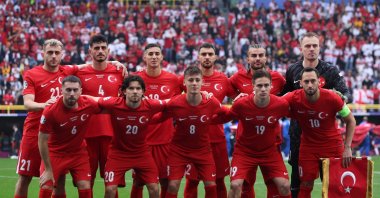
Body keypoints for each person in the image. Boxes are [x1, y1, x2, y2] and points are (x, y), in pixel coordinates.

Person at [281, 32, 352, 198]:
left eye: (314, 45)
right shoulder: (292, 70)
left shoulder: (330, 70)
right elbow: (284, 98)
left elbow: (344, 94)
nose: (311, 49)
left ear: (319, 48)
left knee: (332, 183)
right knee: (299, 182)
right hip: (299, 135)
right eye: (307, 46)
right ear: (301, 48)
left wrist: (335, 98)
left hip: (325, 134)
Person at [15, 39, 79, 198]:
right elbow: (28, 104)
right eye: (50, 52)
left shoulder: (67, 71)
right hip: (34, 133)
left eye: (57, 53)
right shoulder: (32, 74)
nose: (53, 56)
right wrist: (46, 105)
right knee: (25, 177)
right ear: (43, 53)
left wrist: (113, 62)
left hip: (57, 137)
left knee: (59, 179)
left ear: (62, 54)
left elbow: (89, 66)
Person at [228, 43, 286, 197]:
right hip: (246, 142)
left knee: (275, 185)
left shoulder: (278, 78)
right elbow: (228, 93)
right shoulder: (237, 78)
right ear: (248, 58)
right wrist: (236, 97)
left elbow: (287, 98)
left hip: (271, 142)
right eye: (254, 55)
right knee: (245, 186)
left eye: (261, 55)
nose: (258, 58)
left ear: (266, 58)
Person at [95, 75, 165, 198]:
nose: (135, 91)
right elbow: (93, 100)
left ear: (143, 92)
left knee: (154, 188)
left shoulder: (150, 105)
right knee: (110, 189)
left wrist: (200, 95)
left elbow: (171, 103)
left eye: (138, 89)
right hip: (118, 154)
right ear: (124, 91)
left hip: (141, 153)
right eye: (131, 88)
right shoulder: (114, 104)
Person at [180, 43, 235, 198]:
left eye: (210, 54)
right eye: (203, 54)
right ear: (198, 57)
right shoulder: (189, 78)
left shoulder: (223, 79)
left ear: (215, 57)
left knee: (218, 181)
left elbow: (237, 101)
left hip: (216, 139)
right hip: (193, 140)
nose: (207, 57)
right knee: (192, 181)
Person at [162, 66, 224, 198]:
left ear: (202, 82)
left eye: (197, 80)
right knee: (172, 185)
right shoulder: (175, 102)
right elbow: (159, 116)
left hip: (202, 150)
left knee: (211, 185)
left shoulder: (211, 101)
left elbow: (228, 114)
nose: (194, 83)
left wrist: (211, 120)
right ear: (184, 82)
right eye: (191, 80)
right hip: (179, 150)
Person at [74, 34, 124, 188]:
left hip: (112, 135)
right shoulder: (79, 74)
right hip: (86, 135)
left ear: (108, 50)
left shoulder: (119, 72)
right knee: (86, 183)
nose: (100, 51)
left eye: (103, 48)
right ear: (90, 51)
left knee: (112, 184)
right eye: (96, 48)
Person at [132, 43, 182, 198]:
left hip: (165, 140)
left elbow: (187, 97)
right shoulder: (135, 79)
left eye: (157, 54)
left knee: (165, 181)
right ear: (144, 57)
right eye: (150, 54)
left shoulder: (173, 80)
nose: (154, 57)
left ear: (162, 57)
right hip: (142, 141)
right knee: (138, 182)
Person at [38, 75, 101, 198]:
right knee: (46, 185)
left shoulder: (89, 104)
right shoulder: (51, 111)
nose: (72, 93)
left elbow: (108, 106)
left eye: (75, 90)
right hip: (55, 152)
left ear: (81, 91)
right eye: (68, 90)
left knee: (85, 186)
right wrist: (48, 169)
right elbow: (42, 140)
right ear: (62, 90)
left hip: (78, 152)